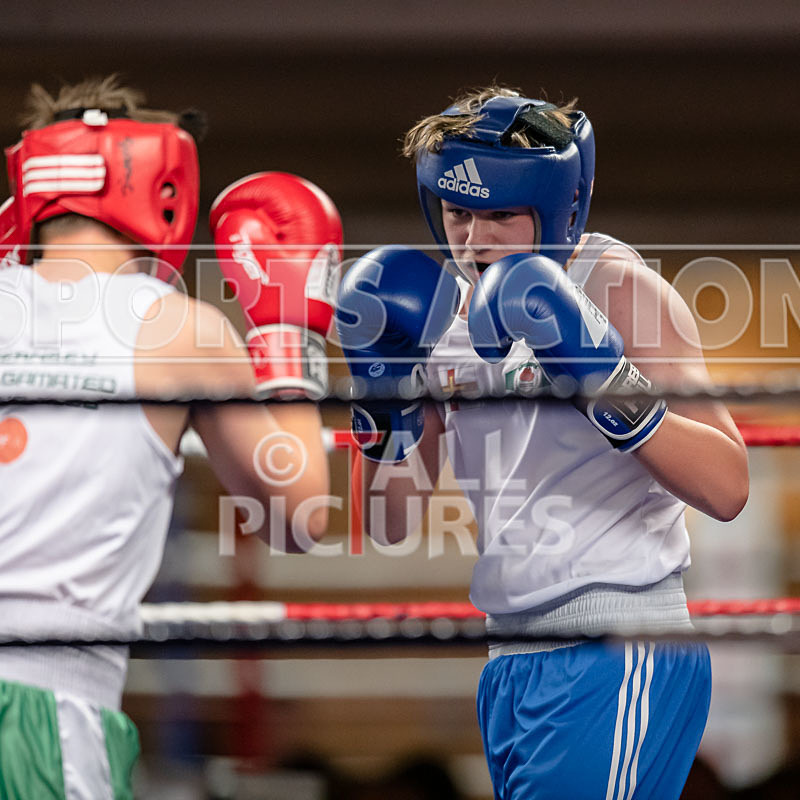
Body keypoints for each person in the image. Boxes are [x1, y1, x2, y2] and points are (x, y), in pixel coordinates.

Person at [337, 87, 749, 799]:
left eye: (501, 214)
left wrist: (599, 376)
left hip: (620, 646)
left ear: (560, 208)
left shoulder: (618, 288)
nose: (475, 238)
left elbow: (728, 485)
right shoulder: (444, 316)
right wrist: (378, 395)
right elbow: (387, 520)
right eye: (460, 213)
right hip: (512, 660)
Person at [0, 76, 339, 799]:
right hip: (40, 713)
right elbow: (303, 513)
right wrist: (288, 336)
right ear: (160, 185)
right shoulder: (176, 328)